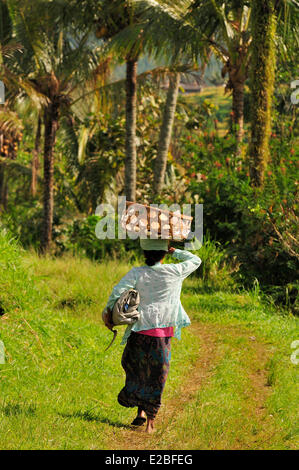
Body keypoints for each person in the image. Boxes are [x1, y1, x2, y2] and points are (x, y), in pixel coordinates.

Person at [103, 238, 201, 433]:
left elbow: (117, 292)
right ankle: (150, 422)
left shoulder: (137, 273)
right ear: (164, 254)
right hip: (161, 335)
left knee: (138, 371)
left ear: (145, 254)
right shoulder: (174, 271)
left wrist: (108, 312)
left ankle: (140, 412)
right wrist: (175, 252)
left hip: (139, 331)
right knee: (157, 375)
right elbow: (195, 260)